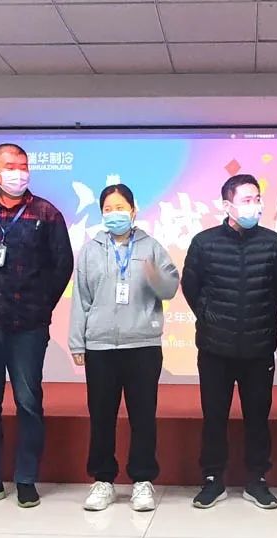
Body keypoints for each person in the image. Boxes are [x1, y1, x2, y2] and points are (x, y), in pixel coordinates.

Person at [0, 143, 74, 510]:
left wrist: (39, 304)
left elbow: (62, 266)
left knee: (28, 401)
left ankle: (26, 479)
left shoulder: (47, 213)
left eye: (23, 166)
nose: (18, 172)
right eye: (10, 166)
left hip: (27, 324)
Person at [69, 184, 179, 512]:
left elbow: (170, 289)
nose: (114, 214)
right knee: (101, 416)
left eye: (120, 208)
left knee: (142, 416)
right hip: (100, 346)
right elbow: (81, 299)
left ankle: (142, 480)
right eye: (108, 209)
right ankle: (103, 480)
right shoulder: (91, 250)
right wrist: (78, 341)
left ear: (133, 210)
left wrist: (155, 276)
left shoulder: (151, 246)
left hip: (142, 344)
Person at [182, 174, 277, 509]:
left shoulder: (273, 243)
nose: (253, 206)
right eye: (246, 200)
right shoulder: (204, 243)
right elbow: (191, 287)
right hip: (215, 347)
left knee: (258, 416)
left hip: (258, 347)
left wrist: (259, 318)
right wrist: (209, 315)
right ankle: (213, 479)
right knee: (214, 416)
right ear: (227, 205)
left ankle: (257, 480)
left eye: (256, 199)